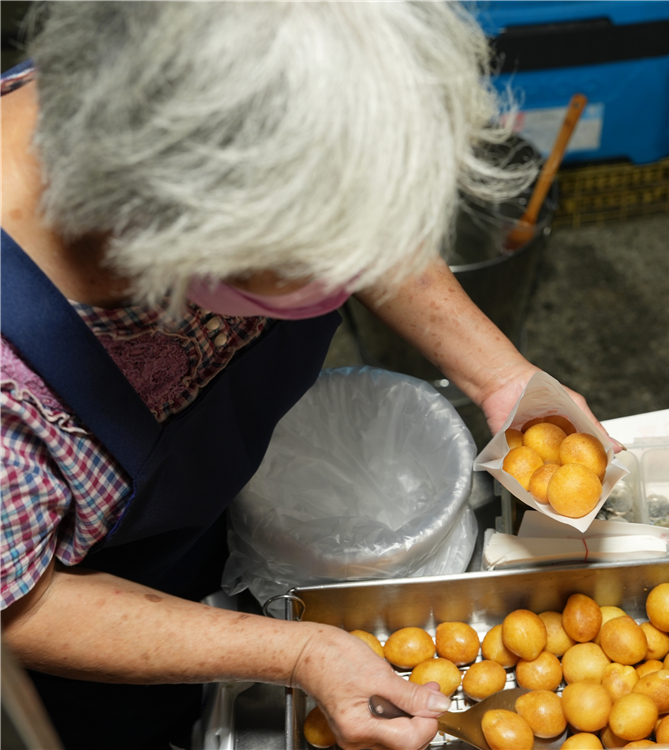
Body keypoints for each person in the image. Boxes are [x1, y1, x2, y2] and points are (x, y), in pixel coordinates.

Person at [0, 4, 612, 749]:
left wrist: (499, 376)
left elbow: (348, 209)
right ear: (176, 234)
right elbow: (19, 602)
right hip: (97, 624)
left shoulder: (234, 69)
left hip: (212, 529)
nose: (358, 267)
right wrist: (298, 651)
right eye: (316, 263)